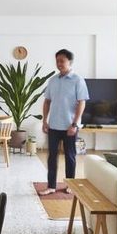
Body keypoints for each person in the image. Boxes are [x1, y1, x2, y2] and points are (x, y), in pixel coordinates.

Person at [40, 49, 89, 195]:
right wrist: (44, 121)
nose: (59, 63)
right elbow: (47, 101)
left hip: (70, 126)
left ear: (70, 62)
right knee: (52, 157)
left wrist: (74, 124)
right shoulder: (53, 80)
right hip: (54, 125)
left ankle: (70, 185)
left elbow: (82, 103)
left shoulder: (78, 80)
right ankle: (51, 186)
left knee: (70, 156)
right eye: (57, 61)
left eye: (62, 60)